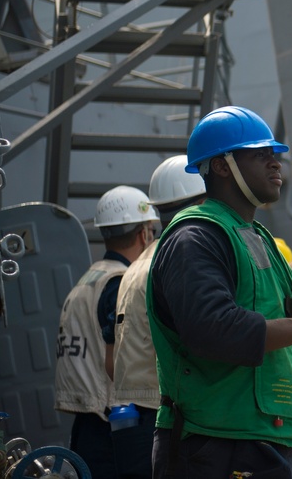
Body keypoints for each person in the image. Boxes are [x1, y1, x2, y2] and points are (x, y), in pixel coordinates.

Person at [147, 106, 292, 479]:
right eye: (260, 155)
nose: (276, 164)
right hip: (216, 445)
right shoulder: (195, 238)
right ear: (222, 167)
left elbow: (283, 320)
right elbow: (213, 329)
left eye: (275, 155)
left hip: (258, 437)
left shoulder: (254, 236)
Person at [107, 156, 207, 479]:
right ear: (203, 201)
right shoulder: (177, 258)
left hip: (134, 416)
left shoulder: (139, 264)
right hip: (167, 415)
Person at [55, 186, 161, 479]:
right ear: (144, 234)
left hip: (89, 421)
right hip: (114, 424)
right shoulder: (121, 282)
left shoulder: (90, 279)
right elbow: (121, 361)